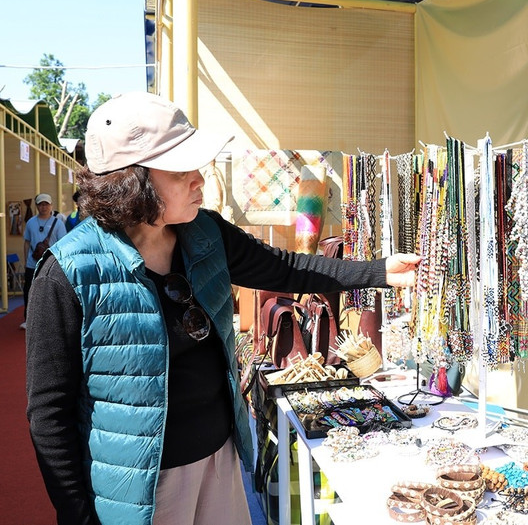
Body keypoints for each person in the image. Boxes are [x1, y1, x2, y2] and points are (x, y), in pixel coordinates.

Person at [25, 91, 420, 525]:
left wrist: (381, 271)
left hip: (220, 462)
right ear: (131, 181)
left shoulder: (205, 232)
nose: (199, 179)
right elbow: (49, 413)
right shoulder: (67, 272)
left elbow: (285, 268)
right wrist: (77, 516)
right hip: (138, 491)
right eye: (181, 170)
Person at [21, 192, 67, 330]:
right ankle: (28, 319)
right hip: (32, 264)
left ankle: (51, 320)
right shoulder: (30, 222)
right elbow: (27, 243)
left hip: (51, 264)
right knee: (28, 290)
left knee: (50, 292)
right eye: (41, 204)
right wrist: (25, 261)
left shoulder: (58, 223)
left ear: (51, 205)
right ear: (37, 206)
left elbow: (62, 243)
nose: (44, 207)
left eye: (46, 204)